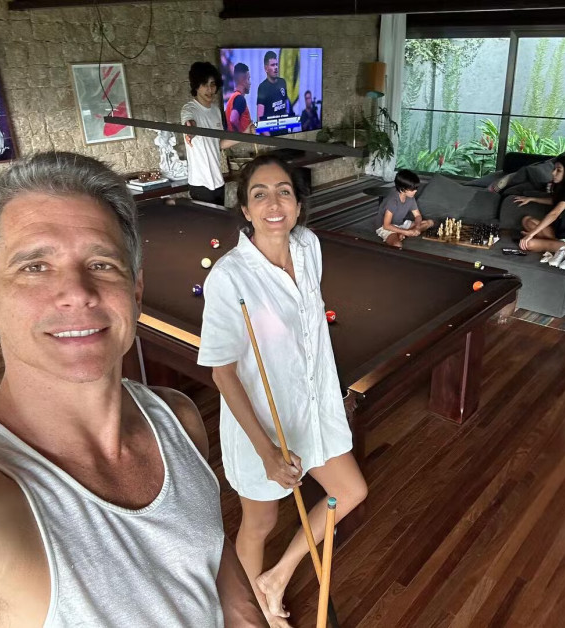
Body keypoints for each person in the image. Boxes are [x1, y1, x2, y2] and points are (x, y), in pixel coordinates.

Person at [0, 152, 266, 627]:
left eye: (101, 263)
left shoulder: (178, 419)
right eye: (35, 266)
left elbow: (207, 551)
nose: (78, 291)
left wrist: (248, 616)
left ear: (135, 293)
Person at [197, 155, 369, 627]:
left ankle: (275, 578)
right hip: (263, 427)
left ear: (297, 204)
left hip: (311, 412)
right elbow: (222, 374)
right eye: (260, 194)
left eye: (284, 192)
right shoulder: (229, 277)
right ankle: (243, 617)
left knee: (350, 490)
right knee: (261, 523)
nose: (274, 203)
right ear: (245, 210)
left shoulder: (309, 246)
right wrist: (268, 452)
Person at [183, 61, 254, 206]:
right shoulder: (189, 109)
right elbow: (189, 123)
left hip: (218, 182)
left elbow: (219, 144)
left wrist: (246, 133)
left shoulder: (216, 110)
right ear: (196, 86)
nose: (210, 89)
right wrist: (190, 130)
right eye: (205, 84)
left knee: (220, 219)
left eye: (213, 84)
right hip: (200, 185)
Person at [512, 153, 565, 271]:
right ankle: (558, 247)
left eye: (558, 170)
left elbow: (554, 214)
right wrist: (531, 199)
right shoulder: (562, 186)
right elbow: (554, 201)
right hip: (561, 234)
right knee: (527, 221)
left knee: (528, 244)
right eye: (554, 169)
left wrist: (531, 234)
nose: (553, 173)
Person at [375, 169, 435, 248]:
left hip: (400, 224)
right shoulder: (393, 201)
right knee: (397, 244)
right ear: (402, 189)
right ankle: (403, 234)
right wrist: (407, 232)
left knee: (430, 222)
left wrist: (417, 227)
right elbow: (386, 225)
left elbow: (417, 216)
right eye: (412, 189)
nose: (415, 191)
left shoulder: (410, 197)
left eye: (416, 188)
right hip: (385, 227)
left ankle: (401, 234)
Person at [255, 51, 292, 126]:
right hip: (270, 129)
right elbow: (259, 118)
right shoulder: (263, 87)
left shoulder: (282, 82)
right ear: (266, 68)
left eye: (276, 64)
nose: (276, 67)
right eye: (272, 65)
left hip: (283, 127)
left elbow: (286, 103)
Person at [225, 63, 254, 134]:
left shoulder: (232, 98)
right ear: (242, 80)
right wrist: (242, 134)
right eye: (248, 79)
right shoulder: (240, 99)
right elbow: (233, 119)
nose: (250, 83)